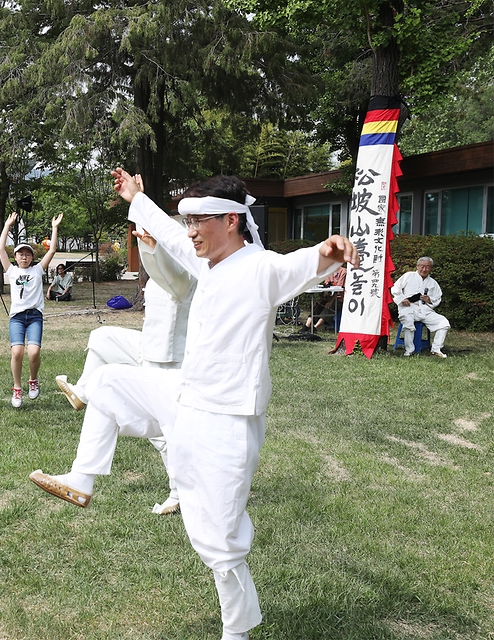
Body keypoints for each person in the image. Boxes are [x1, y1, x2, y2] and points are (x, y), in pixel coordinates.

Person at [36, 169, 357, 640]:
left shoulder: (261, 267)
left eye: (198, 223)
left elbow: (301, 264)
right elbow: (166, 232)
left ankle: (236, 633)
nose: (189, 233)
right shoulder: (205, 259)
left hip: (227, 420)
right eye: (187, 223)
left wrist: (327, 251)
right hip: (184, 394)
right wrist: (136, 197)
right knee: (105, 380)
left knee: (218, 541)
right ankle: (82, 480)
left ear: (231, 221)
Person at [41, 251, 196, 515]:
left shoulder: (184, 276)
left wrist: (153, 237)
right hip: (148, 348)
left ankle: (179, 493)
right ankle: (81, 393)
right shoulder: (160, 271)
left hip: (170, 363)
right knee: (102, 339)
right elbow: (155, 263)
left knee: (162, 433)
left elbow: (168, 269)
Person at [0, 212, 62, 407]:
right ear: (15, 257)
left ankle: (33, 380)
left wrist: (55, 228)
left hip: (35, 316)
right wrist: (7, 225)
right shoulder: (12, 270)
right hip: (17, 317)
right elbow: (0, 248)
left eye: (27, 254)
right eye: (20, 254)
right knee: (17, 352)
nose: (24, 257)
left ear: (32, 257)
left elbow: (51, 251)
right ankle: (17, 388)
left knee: (33, 353)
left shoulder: (37, 270)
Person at [391, 256, 451, 357]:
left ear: (431, 268)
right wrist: (402, 298)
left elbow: (437, 298)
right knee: (408, 320)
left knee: (443, 322)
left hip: (425, 310)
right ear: (417, 266)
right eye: (422, 266)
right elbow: (395, 288)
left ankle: (436, 349)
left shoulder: (433, 283)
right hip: (408, 308)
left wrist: (429, 300)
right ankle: (409, 349)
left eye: (427, 267)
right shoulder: (408, 276)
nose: (424, 269)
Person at [300, 265, 346, 332]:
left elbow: (339, 288)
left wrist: (330, 301)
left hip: (339, 298)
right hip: (329, 296)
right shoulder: (329, 271)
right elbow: (326, 285)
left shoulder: (343, 271)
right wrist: (320, 300)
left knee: (329, 306)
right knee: (318, 305)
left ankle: (315, 328)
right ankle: (307, 326)